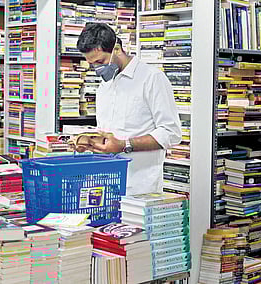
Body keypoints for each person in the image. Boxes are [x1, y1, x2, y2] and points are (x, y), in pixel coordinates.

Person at [76, 23, 182, 195]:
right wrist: (89, 143)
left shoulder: (152, 79)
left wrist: (124, 145)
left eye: (100, 61)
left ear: (117, 49)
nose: (97, 69)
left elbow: (171, 133)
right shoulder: (104, 85)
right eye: (92, 64)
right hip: (104, 184)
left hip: (140, 187)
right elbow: (108, 135)